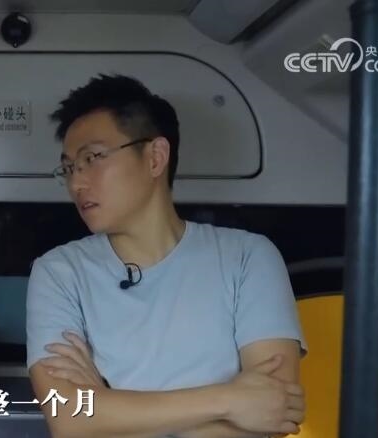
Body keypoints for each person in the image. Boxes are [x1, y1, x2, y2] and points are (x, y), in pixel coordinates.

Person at [25, 74, 307, 438]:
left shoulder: (248, 258)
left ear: (155, 157)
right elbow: (70, 419)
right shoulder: (58, 272)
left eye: (92, 158)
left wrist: (109, 410)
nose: (76, 183)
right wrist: (229, 400)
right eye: (68, 168)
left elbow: (274, 412)